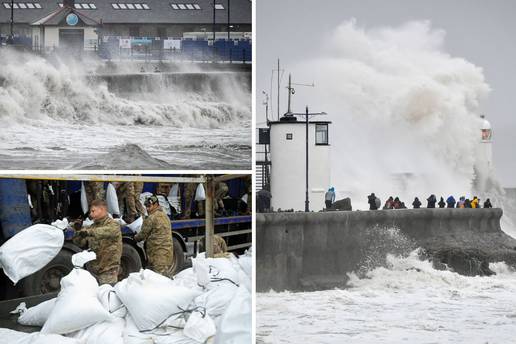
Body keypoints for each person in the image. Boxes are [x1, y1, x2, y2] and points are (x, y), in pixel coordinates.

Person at [73, 200, 122, 285]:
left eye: (93, 211)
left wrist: (88, 232)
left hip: (108, 269)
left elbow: (105, 231)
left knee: (106, 294)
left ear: (102, 210)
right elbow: (80, 244)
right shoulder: (93, 226)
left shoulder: (113, 224)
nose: (90, 214)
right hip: (94, 270)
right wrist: (78, 231)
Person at [134, 195, 173, 276]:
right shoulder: (165, 216)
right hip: (167, 253)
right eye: (146, 206)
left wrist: (135, 238)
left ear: (156, 205)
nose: (147, 209)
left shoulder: (152, 218)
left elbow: (143, 234)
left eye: (149, 206)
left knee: (159, 279)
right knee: (164, 275)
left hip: (157, 254)